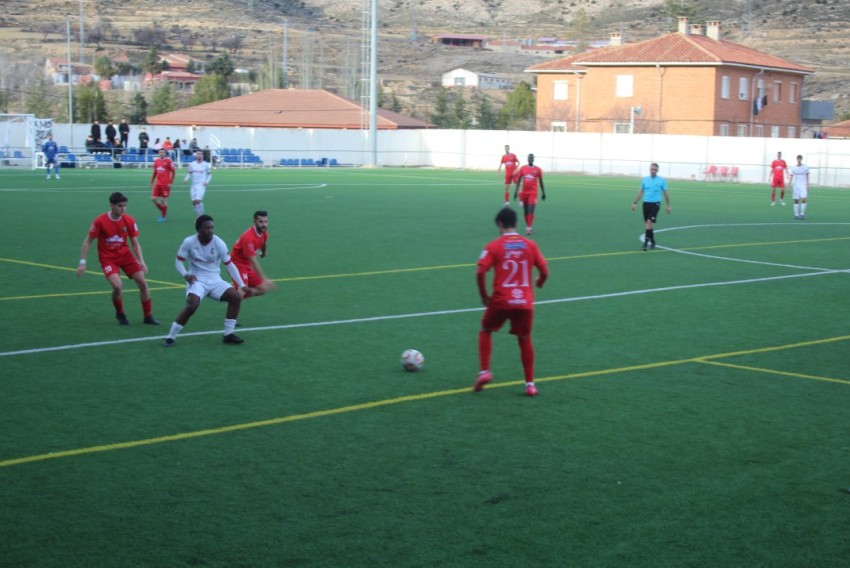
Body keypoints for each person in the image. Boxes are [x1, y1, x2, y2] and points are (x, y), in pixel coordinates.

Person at [473, 207, 549, 397]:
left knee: (486, 330)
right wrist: (540, 281)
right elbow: (545, 271)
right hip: (524, 302)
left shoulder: (493, 246)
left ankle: (484, 372)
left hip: (500, 300)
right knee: (524, 339)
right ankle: (530, 385)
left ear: (500, 224)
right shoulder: (530, 245)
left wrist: (484, 296)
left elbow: (481, 271)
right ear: (516, 223)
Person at [163, 215, 252, 347]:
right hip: (197, 280)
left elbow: (229, 265)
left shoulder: (219, 243)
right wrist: (185, 274)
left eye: (212, 227)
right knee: (192, 305)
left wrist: (242, 285)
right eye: (207, 228)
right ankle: (171, 336)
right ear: (198, 229)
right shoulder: (189, 242)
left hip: (215, 280)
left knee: (235, 297)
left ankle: (228, 334)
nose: (210, 230)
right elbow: (178, 261)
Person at [76, 192, 159, 326]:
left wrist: (142, 261)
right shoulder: (100, 221)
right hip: (108, 258)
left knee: (143, 283)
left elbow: (135, 242)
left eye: (125, 206)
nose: (123, 209)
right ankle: (120, 313)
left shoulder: (129, 220)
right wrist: (82, 262)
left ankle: (148, 316)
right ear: (111, 205)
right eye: (120, 206)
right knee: (117, 285)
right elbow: (87, 241)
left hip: (125, 256)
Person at [230, 211, 276, 298]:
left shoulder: (264, 233)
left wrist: (263, 252)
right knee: (241, 292)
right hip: (237, 263)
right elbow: (253, 261)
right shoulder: (248, 237)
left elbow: (263, 242)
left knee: (263, 289)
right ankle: (233, 297)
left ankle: (232, 294)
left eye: (266, 222)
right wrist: (264, 279)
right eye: (261, 221)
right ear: (254, 221)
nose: (264, 224)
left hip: (246, 263)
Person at [631, 162, 671, 251]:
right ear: (650, 169)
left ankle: (645, 243)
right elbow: (641, 191)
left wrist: (668, 205)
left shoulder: (661, 180)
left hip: (655, 204)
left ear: (657, 170)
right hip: (646, 204)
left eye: (655, 169)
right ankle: (652, 241)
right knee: (648, 225)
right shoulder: (645, 179)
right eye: (652, 169)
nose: (653, 171)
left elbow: (666, 193)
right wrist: (635, 203)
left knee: (649, 223)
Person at [513, 153, 546, 235]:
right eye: (529, 158)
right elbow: (519, 181)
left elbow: (541, 182)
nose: (530, 159)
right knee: (525, 211)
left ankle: (529, 227)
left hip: (533, 193)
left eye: (531, 158)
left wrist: (543, 192)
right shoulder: (523, 168)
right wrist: (515, 192)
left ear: (533, 159)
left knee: (531, 209)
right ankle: (528, 225)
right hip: (524, 193)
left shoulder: (538, 170)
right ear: (527, 159)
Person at [150, 148, 176, 222]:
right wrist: (151, 182)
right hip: (158, 183)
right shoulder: (157, 161)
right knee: (153, 198)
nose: (161, 153)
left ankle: (163, 217)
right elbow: (155, 172)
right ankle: (163, 211)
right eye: (160, 152)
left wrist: (171, 182)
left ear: (165, 153)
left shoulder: (168, 161)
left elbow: (173, 172)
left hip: (165, 184)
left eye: (163, 152)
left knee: (163, 200)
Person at [184, 150, 212, 217]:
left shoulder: (206, 165)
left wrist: (207, 181)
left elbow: (210, 174)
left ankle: (200, 216)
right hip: (193, 186)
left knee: (198, 201)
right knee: (194, 202)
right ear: (196, 155)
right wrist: (186, 179)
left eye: (201, 154)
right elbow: (189, 173)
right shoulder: (192, 164)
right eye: (198, 154)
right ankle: (198, 215)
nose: (199, 155)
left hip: (201, 186)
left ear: (203, 155)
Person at [790, 154, 810, 220]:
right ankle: (796, 214)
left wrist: (808, 184)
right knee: (796, 200)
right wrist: (789, 184)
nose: (799, 160)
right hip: (796, 185)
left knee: (803, 199)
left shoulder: (805, 167)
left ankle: (802, 213)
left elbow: (807, 176)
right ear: (796, 159)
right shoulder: (793, 168)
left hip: (803, 185)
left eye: (800, 159)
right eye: (798, 159)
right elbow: (791, 176)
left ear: (801, 159)